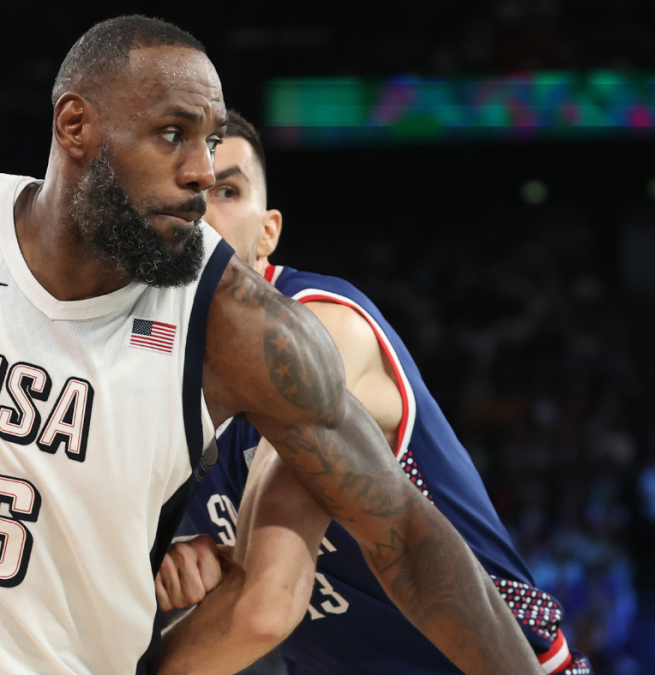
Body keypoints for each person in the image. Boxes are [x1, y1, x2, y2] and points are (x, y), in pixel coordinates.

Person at [0, 17, 543, 675]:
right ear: (76, 127)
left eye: (213, 143)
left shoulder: (235, 322)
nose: (200, 170)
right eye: (172, 135)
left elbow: (408, 536)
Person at [154, 111, 592, 675]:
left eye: (229, 190)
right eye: (189, 188)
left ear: (268, 233)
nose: (204, 210)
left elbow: (264, 603)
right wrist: (167, 559)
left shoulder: (323, 329)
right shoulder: (150, 373)